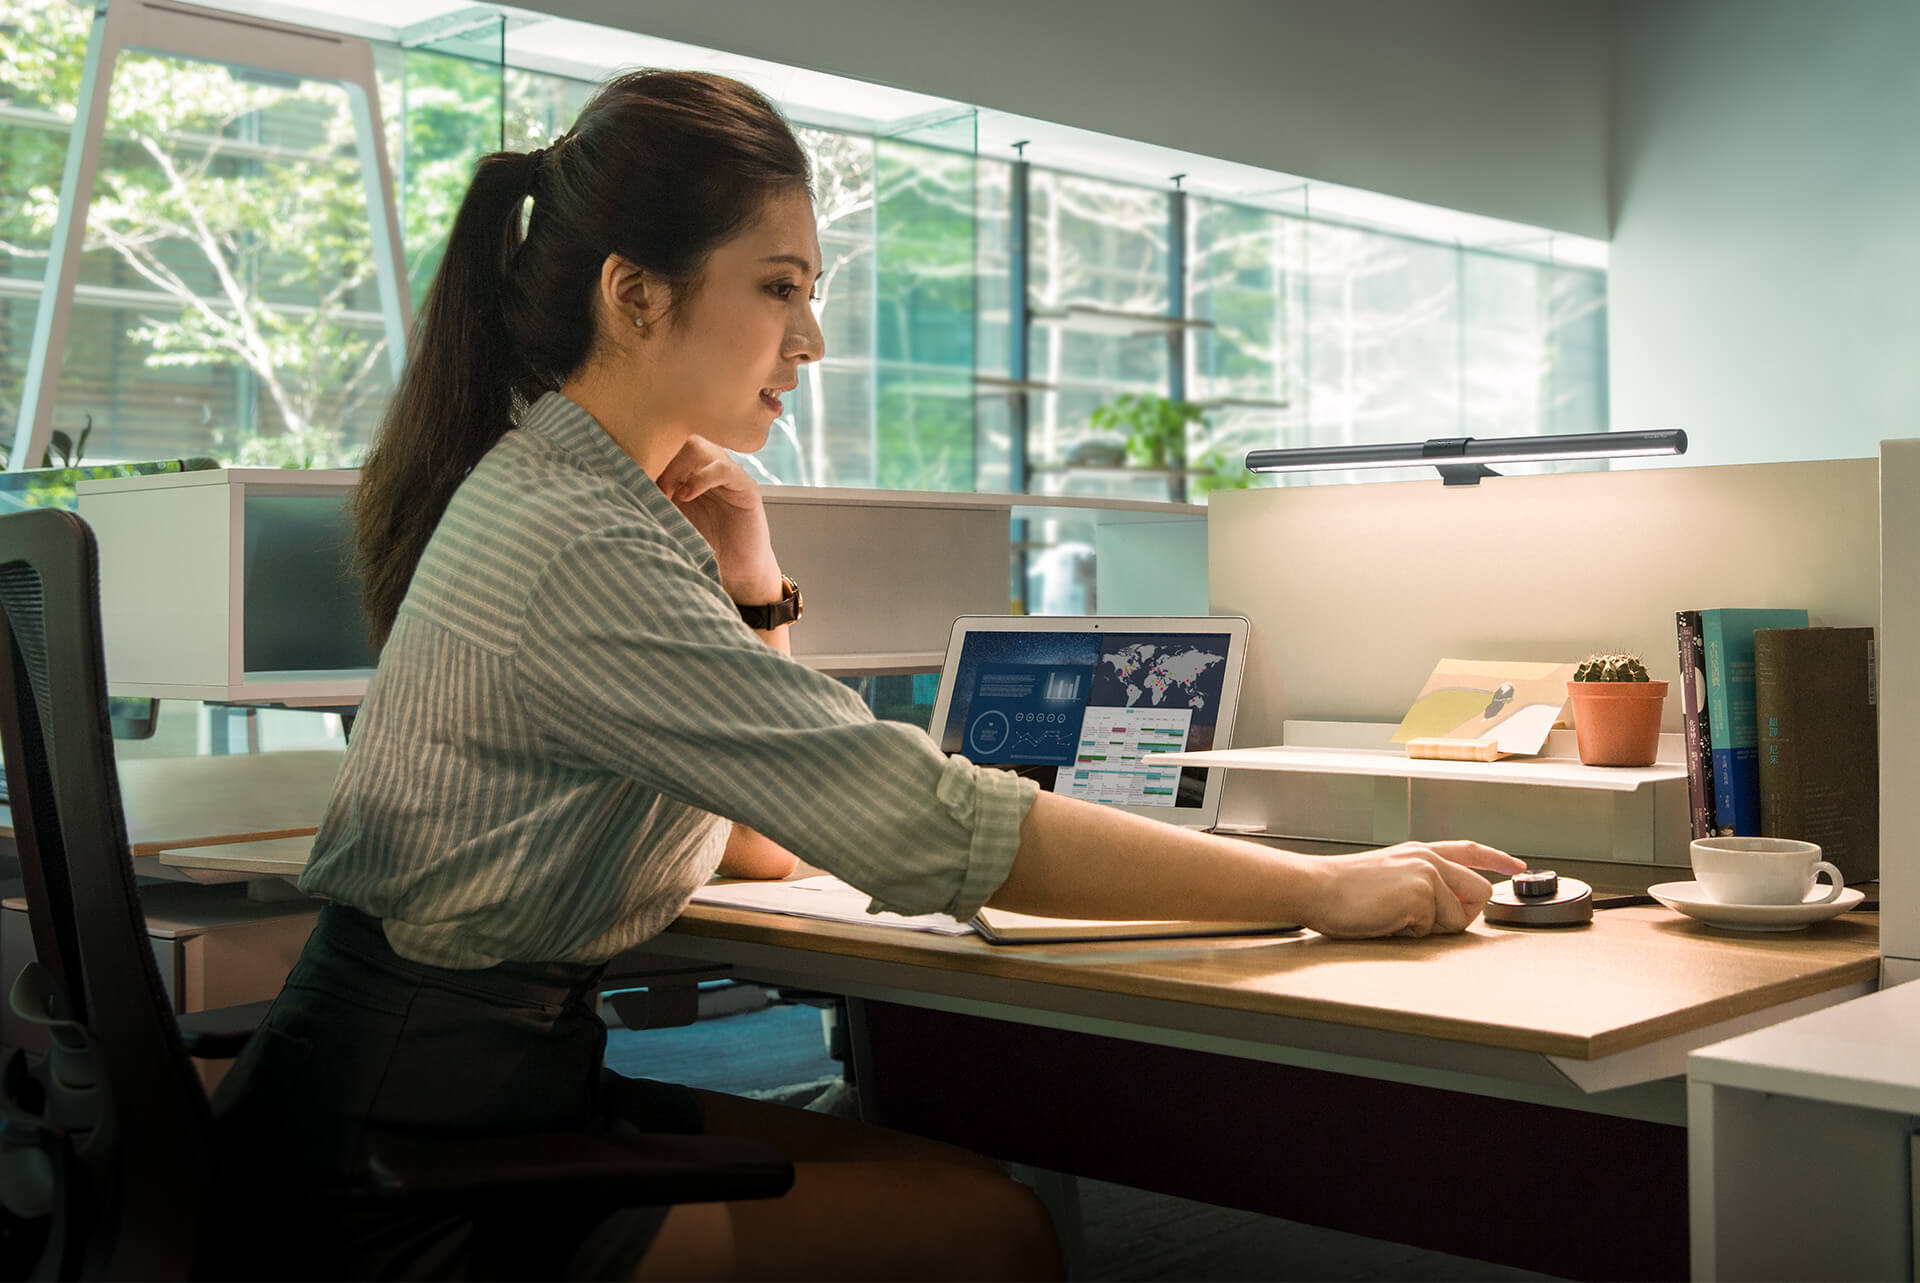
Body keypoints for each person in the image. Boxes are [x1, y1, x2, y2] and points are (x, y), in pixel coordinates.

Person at [213, 69, 1525, 1282]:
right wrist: (1320, 888)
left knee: (949, 1174)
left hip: (443, 1104)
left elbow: (756, 852)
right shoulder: (579, 538)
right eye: (779, 289)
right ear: (635, 294)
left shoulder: (569, 497)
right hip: (398, 1174)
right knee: (990, 1228)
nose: (816, 338)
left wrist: (749, 575)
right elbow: (933, 829)